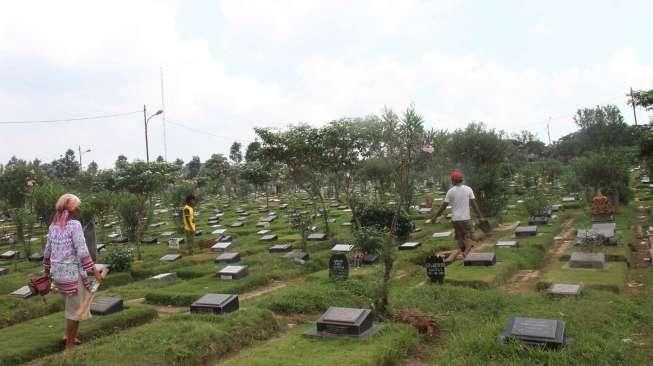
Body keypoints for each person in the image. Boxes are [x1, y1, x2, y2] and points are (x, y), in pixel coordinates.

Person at [43, 193, 104, 351]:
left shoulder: (53, 226)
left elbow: (47, 251)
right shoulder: (75, 225)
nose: (79, 209)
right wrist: (94, 271)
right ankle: (70, 345)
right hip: (72, 275)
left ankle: (67, 335)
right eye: (78, 206)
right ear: (72, 209)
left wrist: (46, 271)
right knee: (76, 311)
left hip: (59, 275)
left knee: (71, 306)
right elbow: (82, 251)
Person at [430, 170, 486, 264]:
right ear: (462, 180)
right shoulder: (468, 189)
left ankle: (461, 254)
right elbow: (474, 205)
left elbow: (443, 206)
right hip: (465, 219)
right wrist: (480, 217)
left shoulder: (450, 192)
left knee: (460, 238)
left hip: (455, 220)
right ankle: (464, 254)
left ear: (453, 181)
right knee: (471, 239)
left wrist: (435, 217)